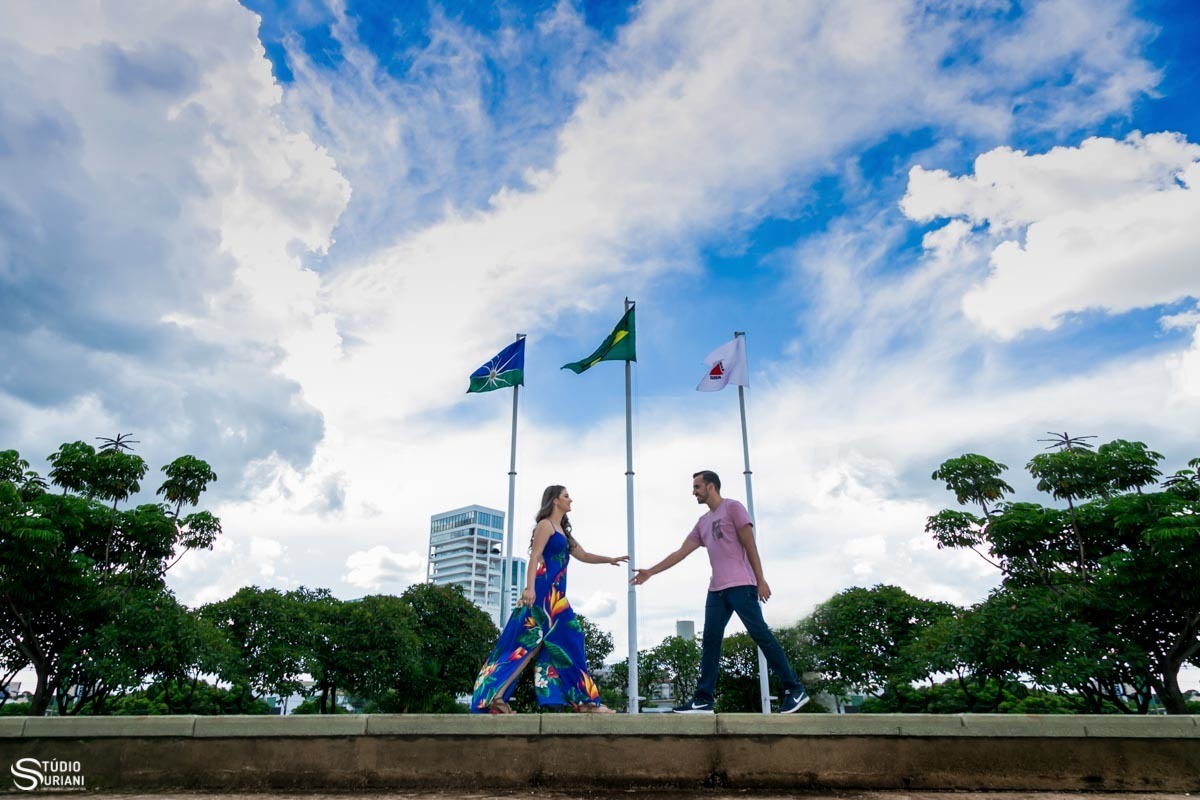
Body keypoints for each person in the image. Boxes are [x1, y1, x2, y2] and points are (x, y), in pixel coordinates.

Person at [631, 470, 809, 714]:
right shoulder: (703, 523)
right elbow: (680, 553)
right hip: (716, 590)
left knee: (761, 634)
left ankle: (794, 689)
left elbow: (750, 544)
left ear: (711, 486)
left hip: (741, 585)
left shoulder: (733, 508)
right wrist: (651, 571)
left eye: (697, 487)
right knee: (710, 642)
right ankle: (703, 699)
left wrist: (761, 580)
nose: (693, 492)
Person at [471, 485, 628, 714]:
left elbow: (583, 555)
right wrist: (530, 589)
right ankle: (583, 702)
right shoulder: (545, 525)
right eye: (566, 496)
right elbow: (535, 556)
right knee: (532, 645)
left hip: (555, 597)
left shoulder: (563, 532)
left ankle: (581, 701)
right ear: (555, 500)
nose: (570, 500)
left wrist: (609, 559)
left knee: (548, 644)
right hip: (542, 594)